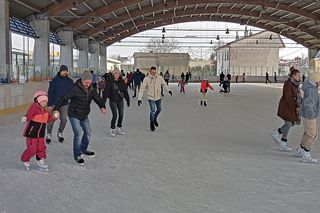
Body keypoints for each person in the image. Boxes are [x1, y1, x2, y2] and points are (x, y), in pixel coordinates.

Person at [53, 70, 106, 165]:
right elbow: (63, 98)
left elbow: (97, 98)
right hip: (74, 114)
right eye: (86, 82)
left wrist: (102, 106)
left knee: (88, 133)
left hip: (84, 114)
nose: (87, 84)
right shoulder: (74, 88)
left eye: (89, 83)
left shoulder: (92, 89)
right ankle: (77, 155)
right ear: (82, 80)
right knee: (78, 133)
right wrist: (56, 109)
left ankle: (83, 149)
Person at [21, 91, 59, 171]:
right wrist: (26, 118)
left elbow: (48, 119)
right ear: (37, 101)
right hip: (32, 133)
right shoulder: (34, 107)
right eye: (42, 101)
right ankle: (25, 158)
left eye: (45, 101)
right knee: (32, 149)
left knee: (41, 148)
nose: (44, 103)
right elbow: (29, 114)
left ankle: (40, 161)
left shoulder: (46, 110)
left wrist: (54, 117)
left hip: (41, 133)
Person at [271, 68, 301, 152]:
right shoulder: (288, 84)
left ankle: (277, 132)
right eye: (298, 75)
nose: (300, 77)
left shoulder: (296, 84)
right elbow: (288, 97)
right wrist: (295, 107)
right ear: (293, 76)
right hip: (286, 106)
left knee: (293, 123)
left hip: (292, 106)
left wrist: (299, 103)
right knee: (288, 124)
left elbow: (297, 96)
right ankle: (283, 143)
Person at [295, 68, 320, 164]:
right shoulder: (311, 90)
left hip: (307, 114)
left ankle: (301, 149)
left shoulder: (312, 88)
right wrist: (312, 114)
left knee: (307, 133)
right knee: (313, 134)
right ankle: (306, 153)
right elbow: (308, 103)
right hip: (309, 115)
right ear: (315, 80)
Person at [138, 66, 172, 131]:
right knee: (153, 110)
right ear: (150, 72)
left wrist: (168, 90)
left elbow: (164, 84)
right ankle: (151, 122)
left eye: (154, 72)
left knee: (159, 109)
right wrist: (139, 98)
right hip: (151, 97)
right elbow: (142, 89)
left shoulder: (159, 77)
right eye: (152, 72)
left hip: (158, 97)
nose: (153, 73)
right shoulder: (146, 79)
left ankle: (154, 118)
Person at [46, 65, 74, 144]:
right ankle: (48, 133)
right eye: (64, 71)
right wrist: (49, 104)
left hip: (64, 104)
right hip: (55, 104)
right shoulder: (55, 80)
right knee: (51, 120)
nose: (65, 72)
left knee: (64, 119)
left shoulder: (70, 81)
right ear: (60, 71)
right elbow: (50, 92)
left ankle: (60, 132)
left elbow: (73, 92)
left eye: (66, 71)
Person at [103, 68, 130, 137]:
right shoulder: (110, 82)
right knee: (115, 115)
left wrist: (128, 100)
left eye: (118, 73)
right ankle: (112, 128)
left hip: (120, 100)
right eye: (115, 73)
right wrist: (103, 103)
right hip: (112, 100)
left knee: (121, 114)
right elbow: (105, 93)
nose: (117, 75)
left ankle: (119, 127)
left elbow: (125, 91)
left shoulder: (122, 82)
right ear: (113, 74)